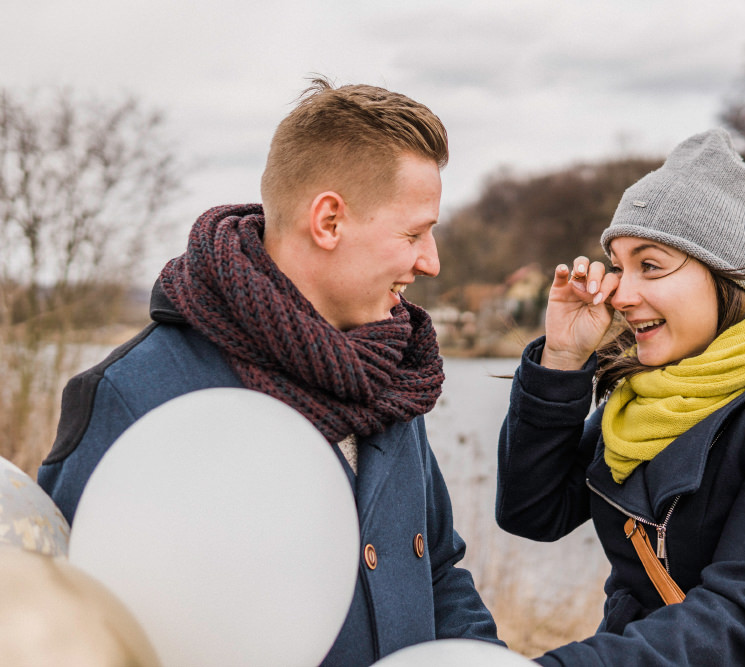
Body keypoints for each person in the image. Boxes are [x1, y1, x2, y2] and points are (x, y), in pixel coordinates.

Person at [38, 78, 502, 666]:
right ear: (329, 220)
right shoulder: (136, 396)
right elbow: (74, 637)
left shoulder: (390, 376)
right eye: (412, 233)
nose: (431, 262)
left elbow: (436, 570)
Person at [496, 128, 745, 665]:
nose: (622, 296)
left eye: (650, 265)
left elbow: (740, 619)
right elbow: (533, 512)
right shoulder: (650, 392)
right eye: (620, 266)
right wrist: (562, 358)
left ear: (726, 274)